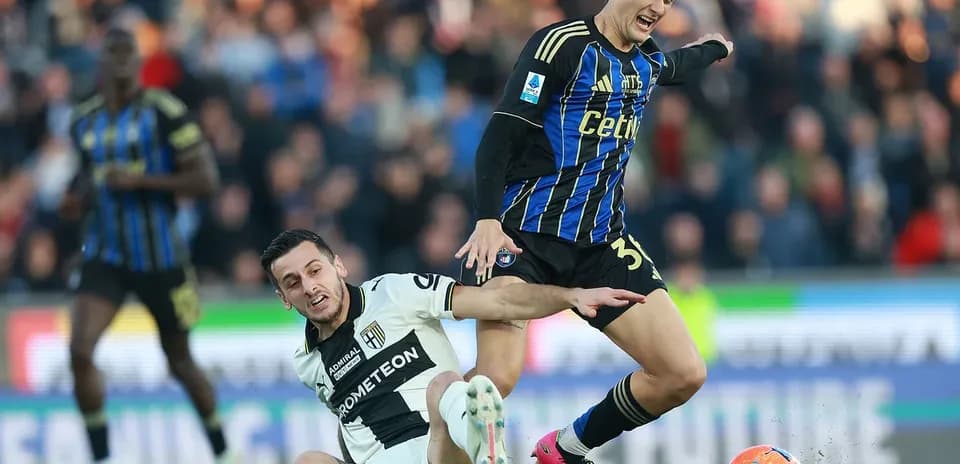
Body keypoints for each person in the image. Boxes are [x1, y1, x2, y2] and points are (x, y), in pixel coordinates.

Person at [454, 1, 735, 462]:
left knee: (682, 373)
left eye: (668, 0)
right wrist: (487, 218)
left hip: (602, 245)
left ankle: (565, 448)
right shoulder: (562, 45)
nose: (659, 8)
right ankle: (413, 434)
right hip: (523, 238)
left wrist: (714, 49)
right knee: (495, 379)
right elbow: (502, 131)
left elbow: (674, 66)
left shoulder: (645, 61)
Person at [259, 229, 646, 464]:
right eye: (293, 283)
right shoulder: (308, 363)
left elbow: (499, 302)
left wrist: (571, 296)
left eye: (315, 270)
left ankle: (484, 448)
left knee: (446, 385)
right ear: (284, 298)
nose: (309, 287)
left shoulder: (395, 293)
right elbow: (351, 424)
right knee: (308, 460)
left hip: (437, 448)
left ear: (338, 267)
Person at [61, 28, 229, 463]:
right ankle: (101, 456)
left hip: (162, 257)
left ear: (138, 62)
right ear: (101, 62)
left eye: (127, 53)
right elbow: (85, 177)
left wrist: (141, 181)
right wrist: (74, 198)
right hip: (105, 254)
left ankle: (224, 452)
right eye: (112, 53)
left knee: (180, 362)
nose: (120, 61)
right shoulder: (83, 120)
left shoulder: (166, 111)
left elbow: (207, 180)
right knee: (79, 351)